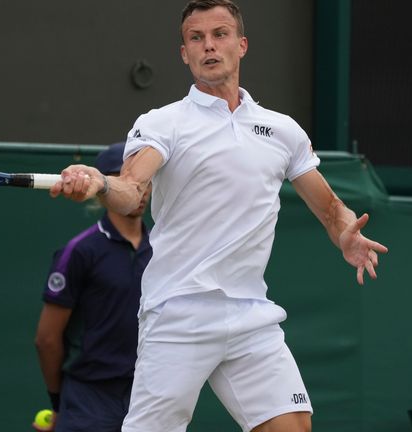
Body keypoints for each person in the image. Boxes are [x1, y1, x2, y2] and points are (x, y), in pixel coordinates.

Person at [49, 1, 389, 431]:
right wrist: (99, 181)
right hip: (179, 310)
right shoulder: (163, 123)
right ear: (184, 53)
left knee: (293, 428)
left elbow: (330, 208)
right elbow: (131, 189)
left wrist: (345, 235)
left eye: (220, 34)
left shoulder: (282, 131)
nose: (209, 46)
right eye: (197, 38)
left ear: (242, 45)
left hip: (250, 314)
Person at [34, 142, 152, 432]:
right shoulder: (79, 252)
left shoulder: (166, 250)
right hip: (89, 398)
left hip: (150, 394)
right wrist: (61, 403)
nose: (138, 189)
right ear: (103, 188)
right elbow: (47, 339)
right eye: (121, 179)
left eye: (144, 181)